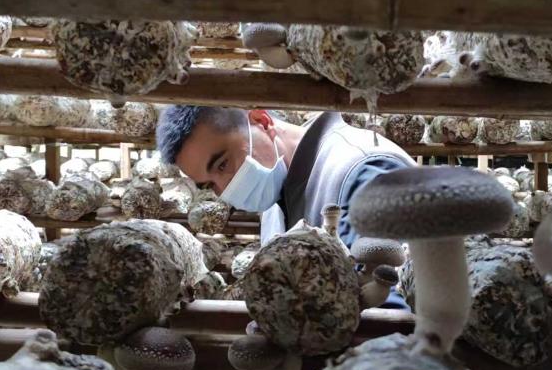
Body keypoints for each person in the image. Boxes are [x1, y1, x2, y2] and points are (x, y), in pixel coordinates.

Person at [156, 106, 415, 307]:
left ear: (261, 121)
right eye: (210, 185)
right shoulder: (274, 203)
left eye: (223, 164)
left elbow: (389, 317)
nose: (225, 189)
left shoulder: (363, 171)